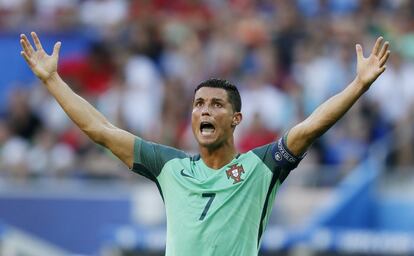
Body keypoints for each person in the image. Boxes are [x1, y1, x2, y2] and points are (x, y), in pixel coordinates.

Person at [19, 32, 390, 255]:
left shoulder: (261, 168)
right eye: (198, 104)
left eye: (215, 104)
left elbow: (311, 126)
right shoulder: (170, 167)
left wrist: (358, 85)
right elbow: (100, 129)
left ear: (236, 119)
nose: (204, 110)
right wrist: (53, 81)